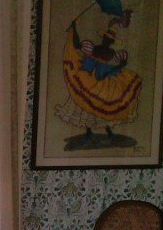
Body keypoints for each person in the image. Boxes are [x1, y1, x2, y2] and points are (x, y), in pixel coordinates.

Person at [55, 9, 142, 148]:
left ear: (112, 41)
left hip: (103, 77)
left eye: (109, 39)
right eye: (106, 37)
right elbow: (77, 45)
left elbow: (118, 65)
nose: (107, 40)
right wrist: (74, 28)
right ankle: (89, 131)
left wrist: (117, 67)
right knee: (86, 100)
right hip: (88, 74)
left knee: (105, 102)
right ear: (103, 38)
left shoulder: (112, 53)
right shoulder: (93, 48)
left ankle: (108, 131)